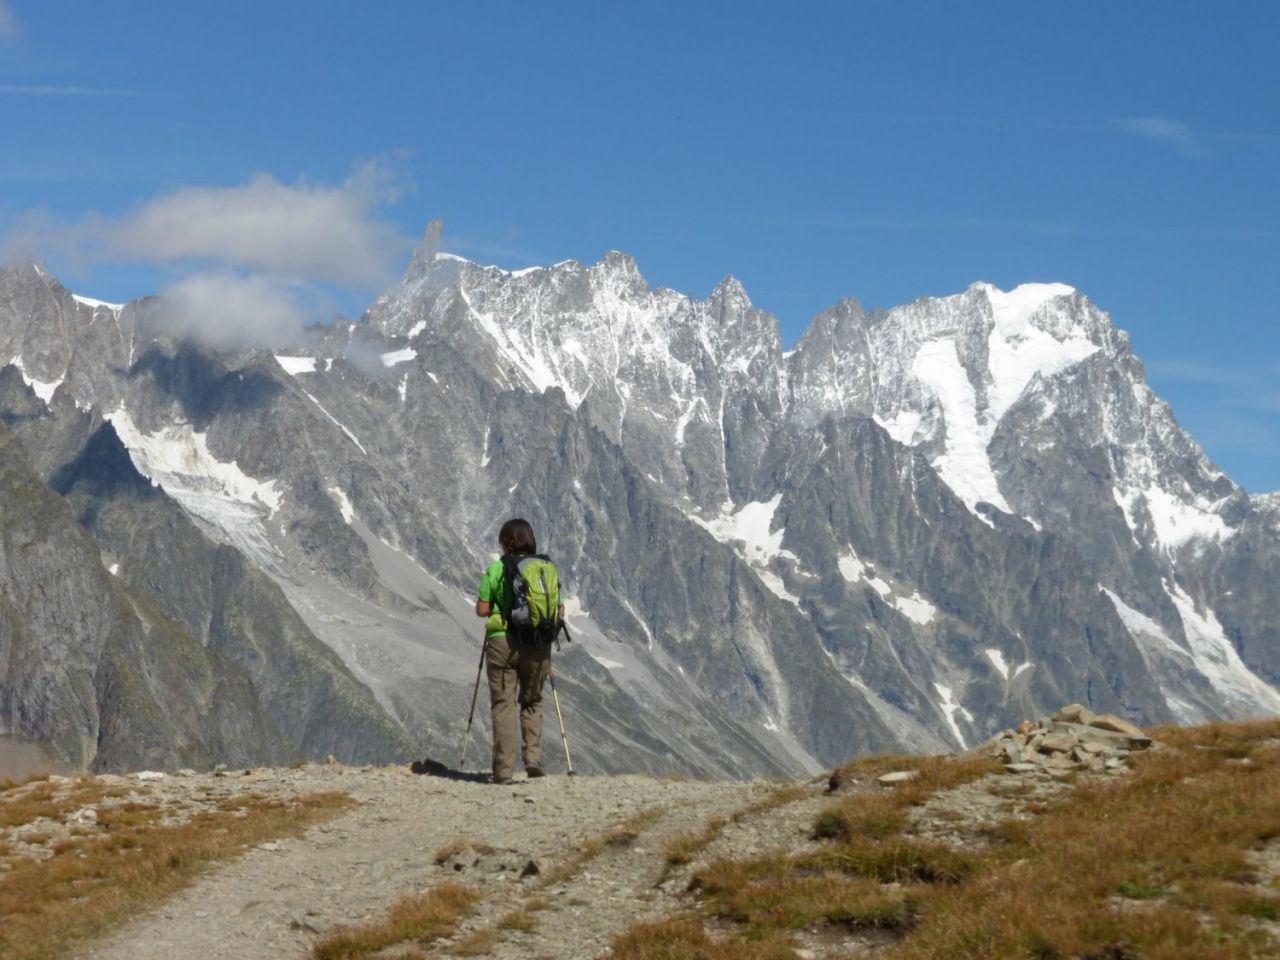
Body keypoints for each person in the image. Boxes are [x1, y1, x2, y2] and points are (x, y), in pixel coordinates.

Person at [474, 518, 562, 784]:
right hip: (537, 644)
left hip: (502, 642)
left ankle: (503, 772)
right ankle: (533, 759)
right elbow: (559, 610)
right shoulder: (546, 569)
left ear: (505, 543)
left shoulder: (496, 569)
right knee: (533, 700)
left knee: (504, 704)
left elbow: (481, 610)